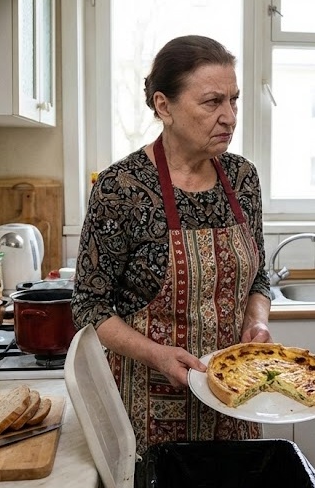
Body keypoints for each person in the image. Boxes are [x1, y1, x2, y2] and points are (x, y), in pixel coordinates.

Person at [71, 35, 272, 458]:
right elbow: (90, 306)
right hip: (148, 411)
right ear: (164, 106)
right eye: (212, 102)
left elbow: (259, 277)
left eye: (234, 101)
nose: (229, 117)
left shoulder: (243, 179)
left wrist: (257, 322)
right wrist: (159, 355)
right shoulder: (121, 187)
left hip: (233, 401)